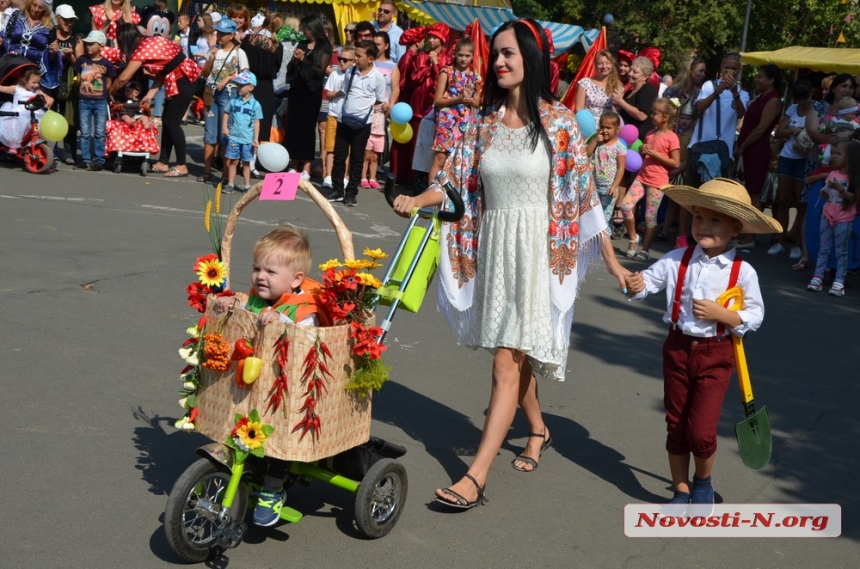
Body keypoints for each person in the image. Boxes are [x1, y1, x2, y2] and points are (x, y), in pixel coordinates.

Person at [392, 19, 628, 510]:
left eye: (508, 54)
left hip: (538, 253)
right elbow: (455, 183)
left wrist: (613, 263)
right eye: (495, 54)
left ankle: (474, 476)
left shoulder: (560, 122)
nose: (498, 62)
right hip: (495, 248)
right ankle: (538, 428)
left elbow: (585, 201)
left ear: (531, 59)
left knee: (507, 362)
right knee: (512, 357)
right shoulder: (482, 122)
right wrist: (418, 199)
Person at [625, 178, 781, 510]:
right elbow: (646, 284)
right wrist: (635, 283)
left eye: (715, 220)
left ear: (736, 228)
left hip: (716, 354)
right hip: (677, 349)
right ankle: (680, 490)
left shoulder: (742, 271)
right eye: (698, 218)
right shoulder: (677, 258)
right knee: (676, 424)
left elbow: (755, 314)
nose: (703, 226)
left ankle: (703, 482)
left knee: (700, 430)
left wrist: (723, 314)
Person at [213, 226, 325, 526]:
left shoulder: (304, 308)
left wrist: (283, 319)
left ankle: (273, 490)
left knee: (278, 439)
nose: (260, 276)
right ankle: (243, 466)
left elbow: (309, 336)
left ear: (296, 279)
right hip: (256, 382)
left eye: (270, 271)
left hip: (288, 388)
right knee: (237, 413)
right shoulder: (260, 297)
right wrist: (232, 302)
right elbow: (248, 309)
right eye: (256, 268)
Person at [112, 22, 201, 178]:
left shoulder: (141, 50)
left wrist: (111, 91)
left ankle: (181, 165)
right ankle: (163, 162)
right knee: (167, 121)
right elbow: (164, 69)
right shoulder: (149, 41)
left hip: (184, 80)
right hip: (180, 77)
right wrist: (150, 95)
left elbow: (124, 77)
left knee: (172, 123)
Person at [323, 39, 388, 207]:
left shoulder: (378, 77)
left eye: (359, 56)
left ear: (370, 58)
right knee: (339, 156)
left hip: (363, 124)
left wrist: (363, 112)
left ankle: (351, 192)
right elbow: (346, 92)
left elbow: (379, 100)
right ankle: (337, 189)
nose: (356, 59)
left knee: (357, 158)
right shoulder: (351, 72)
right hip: (344, 119)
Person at [620, 97, 681, 261]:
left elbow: (675, 162)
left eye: (655, 113)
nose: (652, 115)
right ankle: (633, 238)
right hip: (642, 176)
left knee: (649, 217)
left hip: (658, 181)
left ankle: (645, 249)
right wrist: (641, 149)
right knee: (625, 206)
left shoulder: (671, 137)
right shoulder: (650, 134)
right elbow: (643, 154)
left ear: (666, 117)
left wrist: (656, 155)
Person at [395, 22, 451, 185]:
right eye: (430, 37)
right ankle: (412, 177)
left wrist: (436, 64)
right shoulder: (422, 56)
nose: (431, 40)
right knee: (416, 142)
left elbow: (444, 80)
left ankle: (429, 177)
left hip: (435, 102)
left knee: (432, 141)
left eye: (435, 38)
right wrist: (429, 66)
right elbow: (414, 78)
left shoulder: (447, 58)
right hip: (418, 101)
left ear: (442, 40)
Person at [733, 63, 782, 248]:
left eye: (761, 77)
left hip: (757, 149)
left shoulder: (773, 100)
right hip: (748, 148)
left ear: (771, 80)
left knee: (755, 193)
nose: (757, 79)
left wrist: (743, 146)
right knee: (747, 191)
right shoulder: (760, 98)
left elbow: (761, 128)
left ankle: (751, 236)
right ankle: (746, 232)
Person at [806, 140, 860, 297]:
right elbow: (827, 191)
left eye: (838, 154)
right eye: (833, 153)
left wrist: (841, 190)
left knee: (841, 250)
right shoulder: (832, 174)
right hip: (827, 214)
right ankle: (818, 277)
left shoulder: (854, 178)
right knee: (824, 247)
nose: (834, 156)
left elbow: (854, 198)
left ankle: (839, 281)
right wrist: (825, 193)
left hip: (844, 218)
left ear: (851, 157)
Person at [196, 18, 247, 184]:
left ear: (232, 35)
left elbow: (246, 75)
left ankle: (226, 174)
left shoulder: (239, 53)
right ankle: (206, 171)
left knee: (226, 133)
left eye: (224, 34)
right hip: (211, 91)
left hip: (229, 93)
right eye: (219, 32)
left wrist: (229, 79)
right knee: (209, 133)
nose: (220, 36)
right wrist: (211, 59)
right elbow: (204, 73)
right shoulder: (214, 49)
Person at [688, 52, 749, 185]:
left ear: (739, 70)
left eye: (734, 69)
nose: (730, 71)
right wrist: (716, 93)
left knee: (714, 197)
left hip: (723, 151)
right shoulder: (709, 86)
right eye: (727, 68)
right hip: (700, 146)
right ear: (721, 68)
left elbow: (740, 114)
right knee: (690, 195)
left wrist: (735, 94)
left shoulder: (743, 94)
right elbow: (699, 108)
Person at [284, 14, 331, 179]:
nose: (304, 31)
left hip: (311, 93)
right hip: (297, 92)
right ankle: (294, 164)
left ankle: (307, 167)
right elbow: (291, 67)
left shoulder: (324, 46)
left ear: (313, 28)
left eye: (306, 28)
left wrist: (304, 60)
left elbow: (319, 71)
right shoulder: (303, 43)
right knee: (294, 128)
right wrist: (297, 61)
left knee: (307, 129)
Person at [773, 80, 814, 268]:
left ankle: (798, 245)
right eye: (799, 99)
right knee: (782, 200)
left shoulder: (815, 111)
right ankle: (780, 241)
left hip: (803, 160)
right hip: (787, 157)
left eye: (805, 99)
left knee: (801, 203)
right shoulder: (791, 109)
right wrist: (792, 131)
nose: (802, 103)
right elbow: (779, 132)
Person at [428, 36, 479, 183]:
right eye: (461, 55)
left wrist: (470, 99)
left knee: (458, 160)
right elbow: (437, 101)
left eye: (467, 56)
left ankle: (450, 196)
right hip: (446, 120)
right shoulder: (447, 72)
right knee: (440, 158)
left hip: (464, 120)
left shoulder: (475, 76)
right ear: (455, 54)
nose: (463, 59)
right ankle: (431, 193)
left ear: (472, 56)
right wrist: (457, 99)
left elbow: (477, 103)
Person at [358, 30, 399, 189]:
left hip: (382, 109)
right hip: (366, 108)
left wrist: (391, 105)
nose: (375, 46)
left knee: (377, 143)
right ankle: (361, 175)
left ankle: (373, 175)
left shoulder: (392, 65)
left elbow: (395, 89)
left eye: (378, 44)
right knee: (365, 144)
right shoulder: (369, 63)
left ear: (386, 46)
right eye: (373, 43)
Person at [74, 30, 116, 171]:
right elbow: (79, 77)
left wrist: (103, 92)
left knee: (99, 132)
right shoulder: (81, 60)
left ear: (101, 46)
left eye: (92, 44)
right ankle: (85, 158)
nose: (88, 46)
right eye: (87, 44)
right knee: (85, 132)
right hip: (84, 101)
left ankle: (99, 159)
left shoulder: (107, 64)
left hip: (100, 102)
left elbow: (109, 80)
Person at [241, 13, 283, 152]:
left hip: (246, 83)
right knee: (261, 122)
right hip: (265, 86)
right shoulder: (276, 46)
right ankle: (254, 159)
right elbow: (275, 69)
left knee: (243, 119)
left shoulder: (248, 39)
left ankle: (240, 157)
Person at [0, 0, 62, 90]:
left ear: (45, 9)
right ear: (30, 4)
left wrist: (53, 53)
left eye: (40, 7)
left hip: (32, 71)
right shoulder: (16, 16)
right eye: (34, 5)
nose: (36, 9)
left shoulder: (49, 26)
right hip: (12, 67)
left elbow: (50, 54)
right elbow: (7, 39)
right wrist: (2, 42)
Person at [660, 98, 697, 249]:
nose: (684, 121)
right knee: (671, 205)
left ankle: (685, 233)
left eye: (687, 119)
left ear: (693, 120)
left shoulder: (693, 135)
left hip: (683, 172)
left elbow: (689, 159)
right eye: (682, 118)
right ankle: (664, 231)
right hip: (674, 172)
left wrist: (678, 169)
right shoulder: (676, 133)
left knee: (684, 205)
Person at [221, 71, 262, 194]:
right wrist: (224, 127)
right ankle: (230, 184)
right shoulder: (234, 101)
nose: (238, 87)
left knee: (246, 163)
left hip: (247, 138)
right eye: (237, 85)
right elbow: (226, 112)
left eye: (241, 85)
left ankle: (247, 186)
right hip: (234, 136)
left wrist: (256, 138)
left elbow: (257, 122)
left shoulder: (255, 105)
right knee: (233, 161)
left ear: (251, 87)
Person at [53, 4, 83, 165]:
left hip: (69, 83)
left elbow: (81, 64)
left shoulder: (76, 39)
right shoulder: (50, 35)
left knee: (69, 119)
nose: (68, 23)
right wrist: (52, 53)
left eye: (71, 20)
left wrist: (70, 57)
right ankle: (51, 151)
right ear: (57, 19)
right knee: (49, 115)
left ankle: (69, 152)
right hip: (51, 81)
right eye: (65, 20)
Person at [586, 110, 626, 225]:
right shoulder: (598, 143)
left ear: (617, 129)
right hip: (595, 185)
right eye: (602, 127)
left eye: (609, 128)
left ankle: (606, 239)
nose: (604, 131)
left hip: (609, 188)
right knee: (594, 216)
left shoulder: (620, 147)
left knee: (605, 218)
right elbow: (586, 154)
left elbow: (621, 168)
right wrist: (594, 141)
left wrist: (614, 186)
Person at [322, 45, 353, 189]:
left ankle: (344, 176)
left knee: (345, 149)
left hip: (347, 117)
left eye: (345, 60)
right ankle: (328, 175)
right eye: (340, 59)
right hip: (333, 115)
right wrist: (338, 93)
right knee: (330, 147)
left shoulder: (354, 75)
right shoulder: (335, 74)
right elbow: (327, 94)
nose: (341, 62)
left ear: (353, 61)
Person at [0, 68, 49, 149]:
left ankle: (33, 144)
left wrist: (49, 100)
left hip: (33, 114)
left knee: (42, 125)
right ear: (25, 80)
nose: (36, 85)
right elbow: (3, 88)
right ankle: (13, 144)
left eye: (38, 83)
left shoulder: (37, 91)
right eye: (34, 82)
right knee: (14, 126)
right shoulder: (17, 88)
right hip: (18, 114)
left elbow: (47, 98)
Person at [613, 56, 658, 142]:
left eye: (635, 72)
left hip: (639, 140)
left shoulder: (647, 89)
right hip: (624, 138)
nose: (630, 74)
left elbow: (642, 116)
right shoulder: (628, 92)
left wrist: (621, 102)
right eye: (630, 70)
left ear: (645, 76)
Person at [574, 50, 621, 124]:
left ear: (612, 65)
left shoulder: (617, 85)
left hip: (608, 124)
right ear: (595, 65)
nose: (604, 66)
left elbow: (618, 109)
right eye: (600, 64)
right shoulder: (585, 83)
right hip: (588, 123)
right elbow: (579, 109)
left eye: (607, 63)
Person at [819, 97, 859, 166]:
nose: (854, 116)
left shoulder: (854, 123)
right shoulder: (834, 120)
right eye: (853, 114)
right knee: (826, 156)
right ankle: (825, 168)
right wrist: (827, 129)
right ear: (845, 113)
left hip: (848, 145)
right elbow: (824, 129)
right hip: (833, 144)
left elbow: (858, 133)